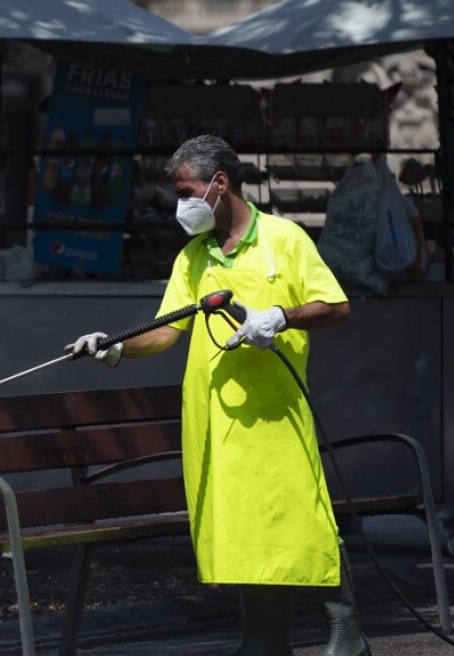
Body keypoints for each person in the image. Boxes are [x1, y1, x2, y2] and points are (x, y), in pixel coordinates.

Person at [67, 135, 368, 656]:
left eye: (187, 191)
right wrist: (112, 345)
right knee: (243, 533)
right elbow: (165, 330)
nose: (180, 204)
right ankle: (265, 640)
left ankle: (346, 631)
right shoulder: (194, 257)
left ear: (219, 184)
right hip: (215, 421)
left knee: (302, 519)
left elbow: (336, 306)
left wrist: (280, 316)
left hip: (276, 416)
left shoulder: (283, 240)